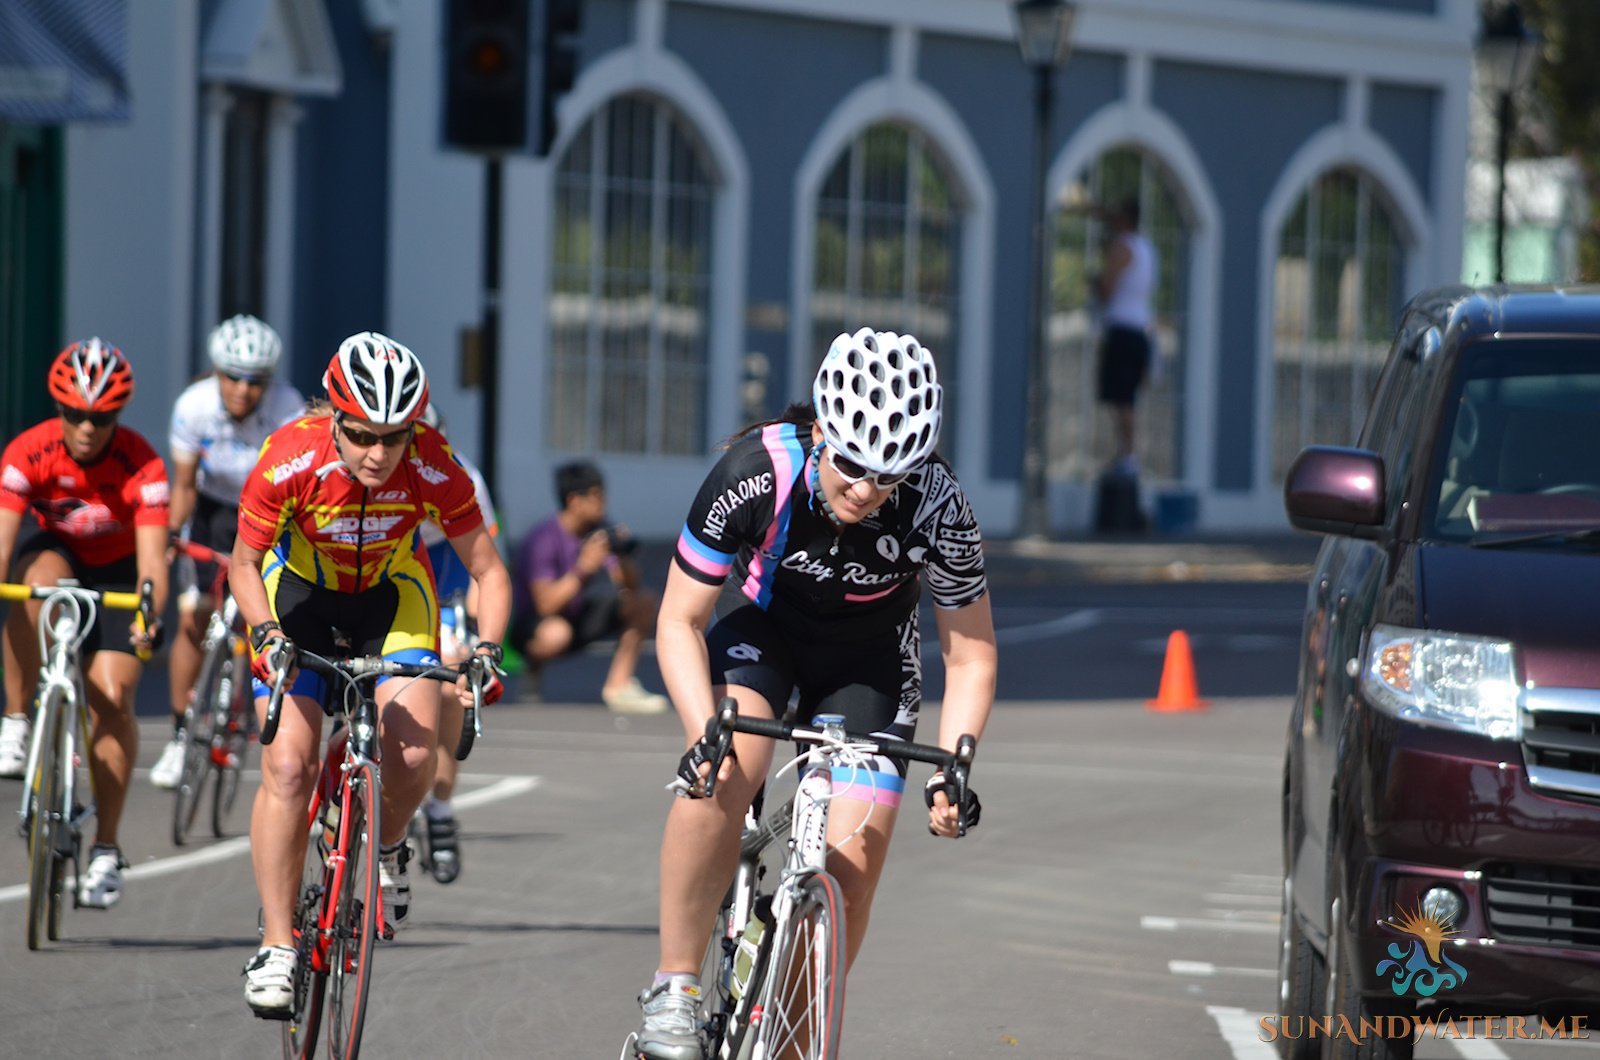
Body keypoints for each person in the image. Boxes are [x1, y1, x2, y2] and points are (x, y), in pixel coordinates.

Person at [631, 328, 996, 1060]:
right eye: (854, 465)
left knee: (852, 869)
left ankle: (795, 1038)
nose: (866, 491)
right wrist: (702, 730)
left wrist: (956, 764)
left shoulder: (939, 505)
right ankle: (675, 986)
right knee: (726, 770)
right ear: (824, 429)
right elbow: (676, 620)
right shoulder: (758, 470)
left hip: (868, 659)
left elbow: (972, 652)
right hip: (759, 628)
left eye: (889, 476)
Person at [232, 333, 511, 1018]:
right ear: (334, 417)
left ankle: (387, 845)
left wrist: (486, 649)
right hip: (297, 598)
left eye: (395, 436)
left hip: (391, 597)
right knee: (290, 769)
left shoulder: (434, 463)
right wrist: (264, 632)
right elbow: (242, 563)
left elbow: (488, 571)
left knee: (414, 753)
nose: (380, 455)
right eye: (362, 436)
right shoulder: (289, 455)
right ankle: (275, 944)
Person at [0, 340, 169, 908]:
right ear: (59, 410)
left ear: (116, 417)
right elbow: (3, 545)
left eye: (100, 419)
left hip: (119, 574)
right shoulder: (29, 451)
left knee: (115, 698)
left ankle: (106, 846)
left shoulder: (142, 463)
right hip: (57, 556)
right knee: (35, 586)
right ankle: (19, 719)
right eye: (75, 415)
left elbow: (151, 563)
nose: (86, 429)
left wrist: (149, 615)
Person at [151, 315, 305, 789]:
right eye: (233, 377)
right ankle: (180, 735)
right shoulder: (193, 407)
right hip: (215, 511)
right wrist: (172, 535)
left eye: (255, 381)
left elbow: (297, 488)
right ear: (216, 374)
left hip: (271, 513)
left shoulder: (288, 408)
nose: (243, 389)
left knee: (261, 617)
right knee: (196, 618)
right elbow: (183, 485)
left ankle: (248, 715)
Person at [411, 402, 501, 883]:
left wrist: (468, 631)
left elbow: (482, 565)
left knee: (449, 683)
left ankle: (440, 809)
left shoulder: (462, 475)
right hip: (384, 575)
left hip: (443, 579)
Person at [511, 461, 667, 714]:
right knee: (556, 633)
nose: (603, 502)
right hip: (535, 625)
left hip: (577, 613)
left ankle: (619, 685)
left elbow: (630, 587)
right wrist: (583, 568)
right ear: (575, 500)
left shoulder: (600, 530)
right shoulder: (543, 539)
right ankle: (533, 667)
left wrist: (623, 555)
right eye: (596, 496)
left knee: (643, 601)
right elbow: (546, 604)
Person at [1093, 197, 1157, 478]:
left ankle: (1127, 454)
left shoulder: (1123, 247)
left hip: (1122, 330)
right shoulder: (1147, 249)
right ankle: (1126, 454)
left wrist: (1094, 282)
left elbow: (1107, 287)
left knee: (1122, 399)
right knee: (1126, 397)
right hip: (1140, 329)